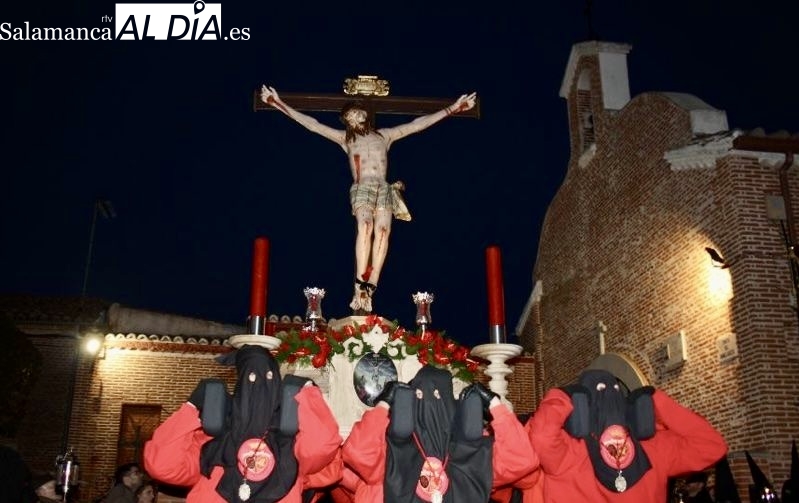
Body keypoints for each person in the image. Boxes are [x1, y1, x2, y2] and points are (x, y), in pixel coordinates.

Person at [260, 85, 477, 313]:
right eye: (349, 116)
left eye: (356, 113)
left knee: (383, 232)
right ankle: (358, 284)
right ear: (346, 121)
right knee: (365, 226)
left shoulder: (385, 136)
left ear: (363, 114)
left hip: (383, 187)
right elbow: (313, 125)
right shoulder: (345, 139)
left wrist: (453, 108)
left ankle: (370, 284)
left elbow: (416, 125)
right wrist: (277, 102)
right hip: (362, 186)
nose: (354, 117)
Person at [143, 344, 342, 502]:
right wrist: (191, 408)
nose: (259, 386)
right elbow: (162, 465)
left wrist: (306, 394)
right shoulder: (212, 444)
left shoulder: (289, 444)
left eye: (269, 377)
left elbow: (322, 447)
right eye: (251, 378)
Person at [341, 365, 539, 502]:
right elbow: (358, 453)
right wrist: (383, 404)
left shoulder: (469, 452)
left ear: (450, 404)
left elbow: (521, 460)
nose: (428, 403)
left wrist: (495, 405)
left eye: (437, 396)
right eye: (418, 395)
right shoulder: (392, 446)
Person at [527, 369, 728, 503]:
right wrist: (656, 401)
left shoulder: (567, 451)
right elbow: (711, 445)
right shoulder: (654, 449)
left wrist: (560, 396)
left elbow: (542, 436)